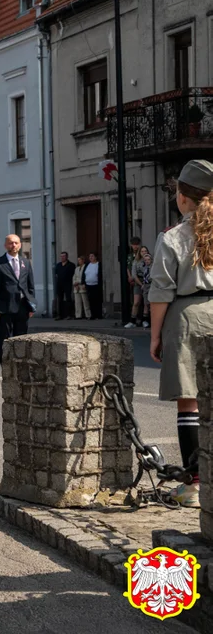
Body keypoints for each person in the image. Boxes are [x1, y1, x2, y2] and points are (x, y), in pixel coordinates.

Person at [149, 159, 213, 507]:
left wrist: (155, 337)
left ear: (184, 198)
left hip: (186, 317)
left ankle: (194, 486)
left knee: (189, 401)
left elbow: (161, 292)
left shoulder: (173, 238)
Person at [0, 234, 37, 363]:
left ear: (20, 245)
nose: (13, 245)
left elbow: (30, 285)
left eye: (16, 243)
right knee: (6, 339)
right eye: (10, 243)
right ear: (5, 245)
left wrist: (32, 304)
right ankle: (5, 365)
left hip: (22, 307)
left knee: (21, 338)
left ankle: (20, 364)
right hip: (5, 308)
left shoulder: (25, 263)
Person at [127, 245, 152, 329]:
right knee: (136, 302)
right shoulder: (136, 262)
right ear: (139, 253)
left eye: (145, 251)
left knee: (146, 302)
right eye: (142, 251)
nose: (144, 253)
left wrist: (146, 283)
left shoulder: (149, 260)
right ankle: (132, 320)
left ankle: (145, 319)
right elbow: (134, 274)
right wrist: (141, 284)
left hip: (148, 282)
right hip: (139, 282)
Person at [54, 252, 76, 320]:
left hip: (67, 284)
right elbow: (56, 274)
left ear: (67, 257)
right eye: (61, 256)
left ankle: (69, 314)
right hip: (59, 284)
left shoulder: (71, 265)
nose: (62, 258)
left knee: (68, 299)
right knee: (60, 299)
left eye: (64, 256)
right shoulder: (58, 265)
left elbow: (72, 274)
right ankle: (60, 315)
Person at [84, 253, 102, 319]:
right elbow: (84, 274)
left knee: (97, 300)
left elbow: (99, 274)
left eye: (92, 256)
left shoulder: (98, 264)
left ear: (96, 257)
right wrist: (84, 283)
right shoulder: (87, 265)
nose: (90, 257)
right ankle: (92, 315)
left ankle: (98, 315)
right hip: (88, 285)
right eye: (89, 256)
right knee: (91, 300)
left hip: (96, 285)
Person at [73, 255, 89, 320]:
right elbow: (74, 277)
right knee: (77, 302)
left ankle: (88, 315)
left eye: (80, 260)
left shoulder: (86, 267)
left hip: (82, 286)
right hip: (76, 287)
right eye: (78, 260)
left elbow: (85, 277)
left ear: (83, 260)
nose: (78, 261)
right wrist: (75, 284)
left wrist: (79, 282)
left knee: (85, 302)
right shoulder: (77, 268)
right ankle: (78, 315)